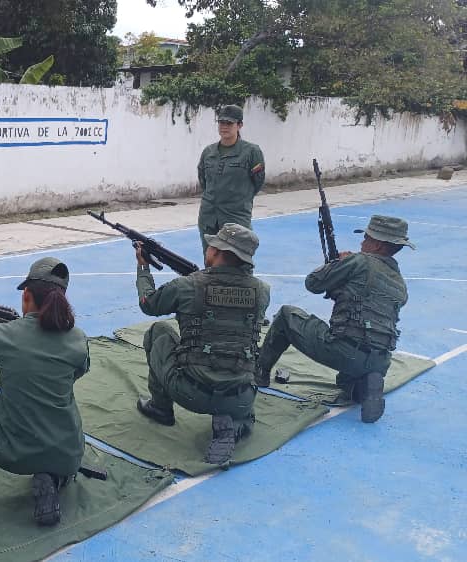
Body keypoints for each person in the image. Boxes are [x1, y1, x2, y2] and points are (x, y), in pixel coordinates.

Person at [0, 257, 90, 527]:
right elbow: (77, 371)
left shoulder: (3, 336)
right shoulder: (78, 338)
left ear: (26, 295)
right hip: (69, 452)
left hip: (13, 453)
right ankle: (53, 476)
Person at [135, 223, 270, 465]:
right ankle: (234, 424)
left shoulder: (188, 285)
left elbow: (149, 304)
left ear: (217, 251)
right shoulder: (262, 291)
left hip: (192, 392)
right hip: (240, 394)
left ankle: (161, 408)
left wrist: (143, 267)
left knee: (159, 332)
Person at [256, 215, 412, 423]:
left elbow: (313, 283)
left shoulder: (359, 261)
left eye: (366, 238)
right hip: (380, 360)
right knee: (346, 383)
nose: (362, 242)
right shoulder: (400, 284)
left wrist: (338, 262)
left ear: (377, 244)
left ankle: (259, 372)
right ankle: (367, 384)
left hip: (345, 350)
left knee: (286, 315)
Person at [197, 104, 266, 254]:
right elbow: (204, 181)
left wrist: (238, 198)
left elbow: (257, 183)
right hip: (209, 217)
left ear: (239, 125)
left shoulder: (251, 152)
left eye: (229, 123)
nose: (224, 127)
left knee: (239, 261)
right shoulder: (209, 152)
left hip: (236, 217)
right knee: (210, 260)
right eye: (221, 122)